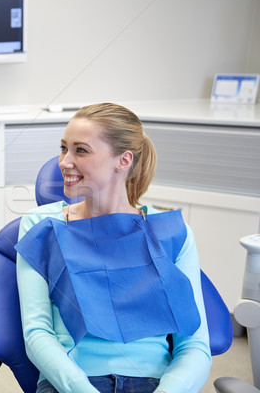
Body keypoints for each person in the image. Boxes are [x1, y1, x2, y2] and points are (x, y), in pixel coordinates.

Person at [14, 103, 211, 393]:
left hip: (156, 384)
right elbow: (37, 334)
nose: (64, 162)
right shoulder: (42, 224)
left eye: (80, 150)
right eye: (63, 148)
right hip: (72, 385)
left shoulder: (170, 233)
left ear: (123, 160)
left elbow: (194, 345)